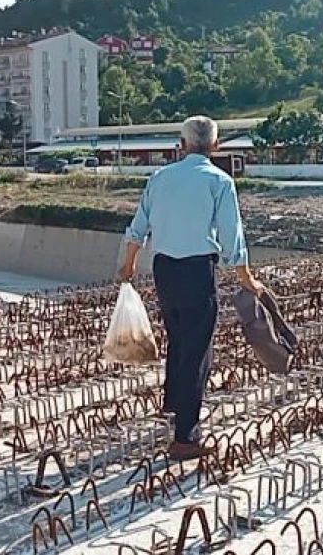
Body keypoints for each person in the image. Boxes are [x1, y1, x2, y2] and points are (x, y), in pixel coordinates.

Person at [117, 115, 265, 461]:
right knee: (198, 350)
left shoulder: (160, 177)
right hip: (198, 270)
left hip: (165, 270)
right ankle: (186, 437)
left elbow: (138, 225)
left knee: (178, 336)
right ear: (215, 146)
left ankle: (171, 403)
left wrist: (128, 263)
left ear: (181, 145)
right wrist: (245, 277)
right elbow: (232, 236)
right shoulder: (220, 181)